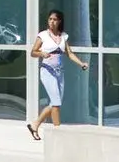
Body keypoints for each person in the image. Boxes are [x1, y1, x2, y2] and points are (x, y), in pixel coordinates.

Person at [27, 8, 88, 140]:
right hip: (47, 71)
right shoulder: (42, 35)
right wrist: (41, 53)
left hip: (59, 72)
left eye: (55, 20)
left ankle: (35, 124)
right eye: (50, 19)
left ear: (59, 21)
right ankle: (57, 132)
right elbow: (33, 52)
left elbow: (69, 53)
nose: (52, 22)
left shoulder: (63, 36)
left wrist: (81, 63)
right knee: (56, 103)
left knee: (55, 102)